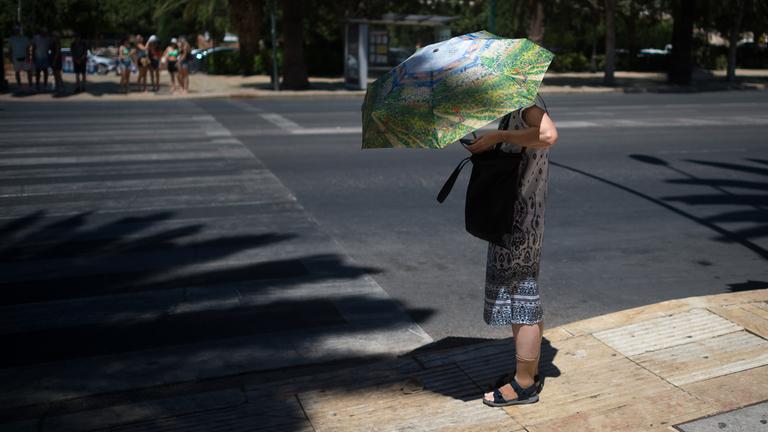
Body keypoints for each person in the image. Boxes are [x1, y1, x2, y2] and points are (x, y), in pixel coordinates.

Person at [467, 94, 558, 407]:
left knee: (523, 299)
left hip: (519, 219)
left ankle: (523, 385)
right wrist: (492, 143)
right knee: (524, 295)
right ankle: (527, 372)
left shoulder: (527, 106)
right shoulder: (518, 107)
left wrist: (499, 136)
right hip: (520, 216)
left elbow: (548, 135)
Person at [9, 25, 32, 91]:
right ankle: (19, 84)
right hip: (16, 57)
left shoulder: (25, 38)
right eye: (15, 30)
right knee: (17, 72)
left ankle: (30, 84)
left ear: (20, 31)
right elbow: (10, 49)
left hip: (24, 57)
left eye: (18, 30)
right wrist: (10, 58)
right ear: (14, 31)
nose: (17, 31)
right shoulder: (11, 39)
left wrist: (28, 57)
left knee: (28, 71)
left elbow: (28, 48)